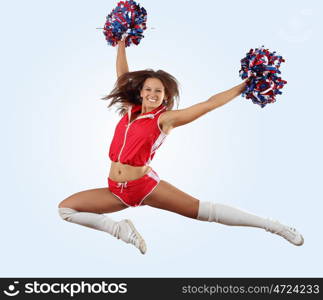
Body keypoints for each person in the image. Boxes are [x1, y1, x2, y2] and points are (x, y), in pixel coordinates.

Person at [58, 37, 304, 254]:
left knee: (205, 212)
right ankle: (120, 230)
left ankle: (275, 226)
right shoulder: (128, 110)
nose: (153, 94)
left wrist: (245, 85)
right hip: (115, 190)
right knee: (66, 210)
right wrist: (121, 43)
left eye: (159, 91)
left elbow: (209, 104)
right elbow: (123, 76)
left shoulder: (165, 119)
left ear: (166, 96)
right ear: (141, 92)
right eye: (148, 89)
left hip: (143, 186)